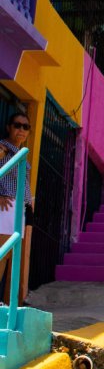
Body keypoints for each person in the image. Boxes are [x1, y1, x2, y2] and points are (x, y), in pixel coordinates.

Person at [0, 111, 33, 304]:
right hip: (6, 207)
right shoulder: (3, 147)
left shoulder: (20, 153)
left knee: (10, 256)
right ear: (9, 127)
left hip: (19, 209)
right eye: (17, 125)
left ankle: (7, 304)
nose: (21, 130)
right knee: (2, 253)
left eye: (25, 126)